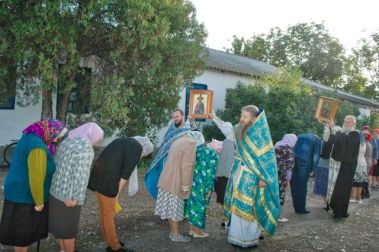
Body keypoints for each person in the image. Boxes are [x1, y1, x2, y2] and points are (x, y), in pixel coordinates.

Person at [209, 105, 280, 248]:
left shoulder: (261, 135)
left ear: (254, 118)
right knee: (236, 205)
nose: (241, 120)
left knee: (249, 207)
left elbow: (267, 161)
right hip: (237, 173)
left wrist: (263, 179)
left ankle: (248, 239)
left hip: (253, 178)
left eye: (245, 117)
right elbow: (228, 130)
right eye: (241, 116)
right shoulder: (240, 130)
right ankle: (236, 237)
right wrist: (214, 117)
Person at [0, 119, 67, 252]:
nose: (55, 141)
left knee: (19, 233)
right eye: (56, 137)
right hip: (25, 196)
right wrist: (39, 201)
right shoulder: (37, 147)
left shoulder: (30, 137)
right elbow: (36, 177)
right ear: (50, 131)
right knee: (22, 236)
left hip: (18, 192)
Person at [88, 137, 153, 252]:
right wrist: (116, 194)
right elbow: (125, 176)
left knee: (104, 213)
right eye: (143, 155)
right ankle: (115, 248)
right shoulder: (137, 148)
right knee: (109, 214)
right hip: (107, 180)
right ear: (145, 149)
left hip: (98, 175)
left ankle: (110, 241)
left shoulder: (125, 141)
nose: (141, 157)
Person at [49, 122, 104, 252]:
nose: (97, 141)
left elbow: (56, 163)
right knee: (68, 230)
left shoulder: (68, 140)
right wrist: (76, 197)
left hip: (55, 191)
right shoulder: (85, 148)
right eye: (98, 138)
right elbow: (81, 176)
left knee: (59, 227)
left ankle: (62, 250)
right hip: (69, 197)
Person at [154, 131, 199, 242]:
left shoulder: (179, 140)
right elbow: (187, 166)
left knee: (170, 208)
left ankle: (173, 232)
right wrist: (185, 186)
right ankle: (176, 235)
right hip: (175, 181)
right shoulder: (191, 144)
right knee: (174, 209)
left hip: (166, 179)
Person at [145, 109, 194, 199]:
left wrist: (191, 121)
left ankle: (175, 206)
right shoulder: (171, 128)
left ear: (182, 116)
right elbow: (164, 145)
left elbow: (194, 133)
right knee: (165, 184)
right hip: (166, 160)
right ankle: (165, 206)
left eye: (177, 116)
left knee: (177, 185)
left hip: (180, 161)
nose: (175, 119)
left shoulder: (187, 127)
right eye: (174, 117)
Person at [322, 116, 361, 218]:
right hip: (336, 165)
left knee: (342, 190)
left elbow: (346, 143)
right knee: (334, 187)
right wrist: (328, 128)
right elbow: (330, 141)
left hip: (347, 167)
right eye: (345, 121)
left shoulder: (355, 134)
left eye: (349, 122)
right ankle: (332, 206)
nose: (346, 123)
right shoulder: (341, 132)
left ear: (354, 124)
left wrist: (334, 128)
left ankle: (340, 211)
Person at [184, 132, 218, 238]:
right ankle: (197, 232)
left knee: (191, 206)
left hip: (189, 183)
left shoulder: (191, 151)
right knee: (200, 207)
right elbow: (211, 173)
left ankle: (191, 229)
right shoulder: (211, 152)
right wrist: (209, 188)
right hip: (202, 185)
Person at [290, 134, 321, 214]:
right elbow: (316, 155)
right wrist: (313, 169)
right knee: (302, 185)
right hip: (305, 162)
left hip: (294, 160)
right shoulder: (317, 139)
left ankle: (296, 207)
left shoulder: (300, 136)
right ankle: (301, 209)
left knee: (294, 184)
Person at [274, 134, 297, 222]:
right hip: (281, 175)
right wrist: (288, 179)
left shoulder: (276, 145)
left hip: (272, 174)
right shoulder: (289, 150)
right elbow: (290, 166)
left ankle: (270, 214)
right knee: (280, 194)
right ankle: (278, 216)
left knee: (272, 193)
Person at [349, 126, 368, 204]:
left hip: (357, 162)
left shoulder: (357, 142)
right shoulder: (364, 143)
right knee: (360, 181)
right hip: (363, 162)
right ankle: (359, 198)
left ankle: (353, 197)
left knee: (355, 181)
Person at [313, 141, 330, 208]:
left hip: (320, 164)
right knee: (328, 185)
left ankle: (325, 202)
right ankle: (326, 202)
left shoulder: (322, 142)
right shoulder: (336, 142)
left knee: (322, 184)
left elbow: (316, 153)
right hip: (330, 166)